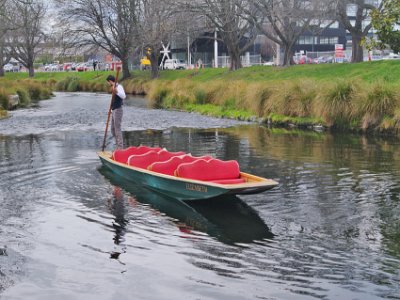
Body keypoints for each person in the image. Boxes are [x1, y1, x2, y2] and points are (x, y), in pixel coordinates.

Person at [106, 74, 126, 149]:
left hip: (118, 110)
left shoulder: (119, 87)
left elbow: (123, 96)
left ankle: (120, 148)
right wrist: (110, 110)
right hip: (114, 110)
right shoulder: (113, 87)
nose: (108, 84)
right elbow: (113, 100)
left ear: (110, 81)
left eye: (108, 82)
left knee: (117, 129)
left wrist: (117, 91)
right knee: (112, 129)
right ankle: (118, 144)